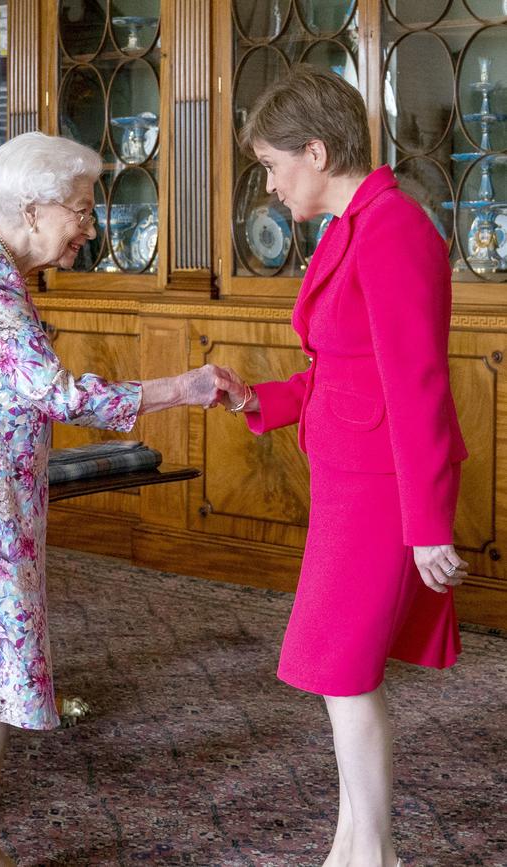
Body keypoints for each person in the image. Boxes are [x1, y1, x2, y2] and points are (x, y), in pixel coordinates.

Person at [0, 131, 224, 867]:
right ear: (33, 209)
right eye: (80, 210)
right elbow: (58, 393)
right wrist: (183, 387)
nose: (89, 228)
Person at [216, 65, 469, 867]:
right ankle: (355, 842)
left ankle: (374, 853)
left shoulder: (391, 227)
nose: (270, 182)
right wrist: (256, 398)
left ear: (317, 153)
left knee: (343, 670)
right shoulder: (359, 225)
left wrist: (428, 525)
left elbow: (417, 382)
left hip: (384, 492)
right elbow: (343, 370)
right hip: (351, 483)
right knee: (339, 671)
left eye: (271, 163)